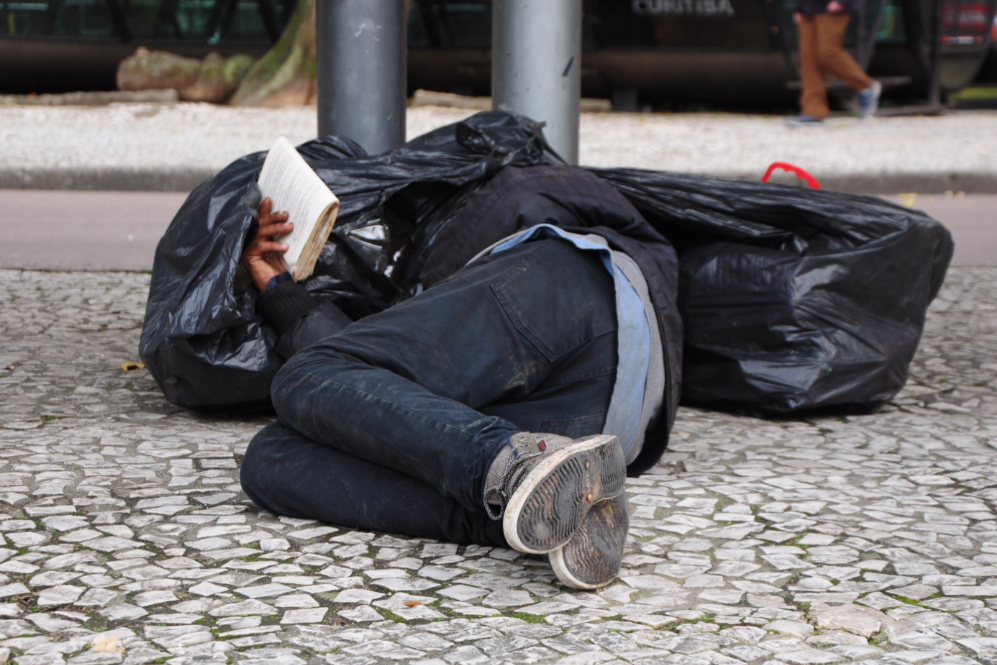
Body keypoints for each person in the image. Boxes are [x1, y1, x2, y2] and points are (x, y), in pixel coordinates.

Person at [238, 165, 681, 589]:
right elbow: (363, 394)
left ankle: (511, 466)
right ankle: (548, 513)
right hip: (611, 427)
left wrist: (282, 294)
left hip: (577, 293)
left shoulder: (433, 221)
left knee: (306, 373)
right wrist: (280, 290)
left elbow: (337, 370)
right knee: (269, 459)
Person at [787, 0, 882, 127]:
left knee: (827, 52)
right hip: (807, 7)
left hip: (833, 5)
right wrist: (798, 8)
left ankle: (865, 86)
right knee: (808, 58)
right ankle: (813, 112)